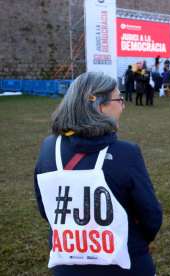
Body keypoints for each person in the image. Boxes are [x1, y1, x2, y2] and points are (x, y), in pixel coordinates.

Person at [34, 72, 162, 276]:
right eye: (119, 99)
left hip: (67, 264)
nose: (123, 104)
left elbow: (46, 209)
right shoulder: (126, 152)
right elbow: (150, 214)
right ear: (99, 106)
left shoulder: (49, 147)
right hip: (126, 263)